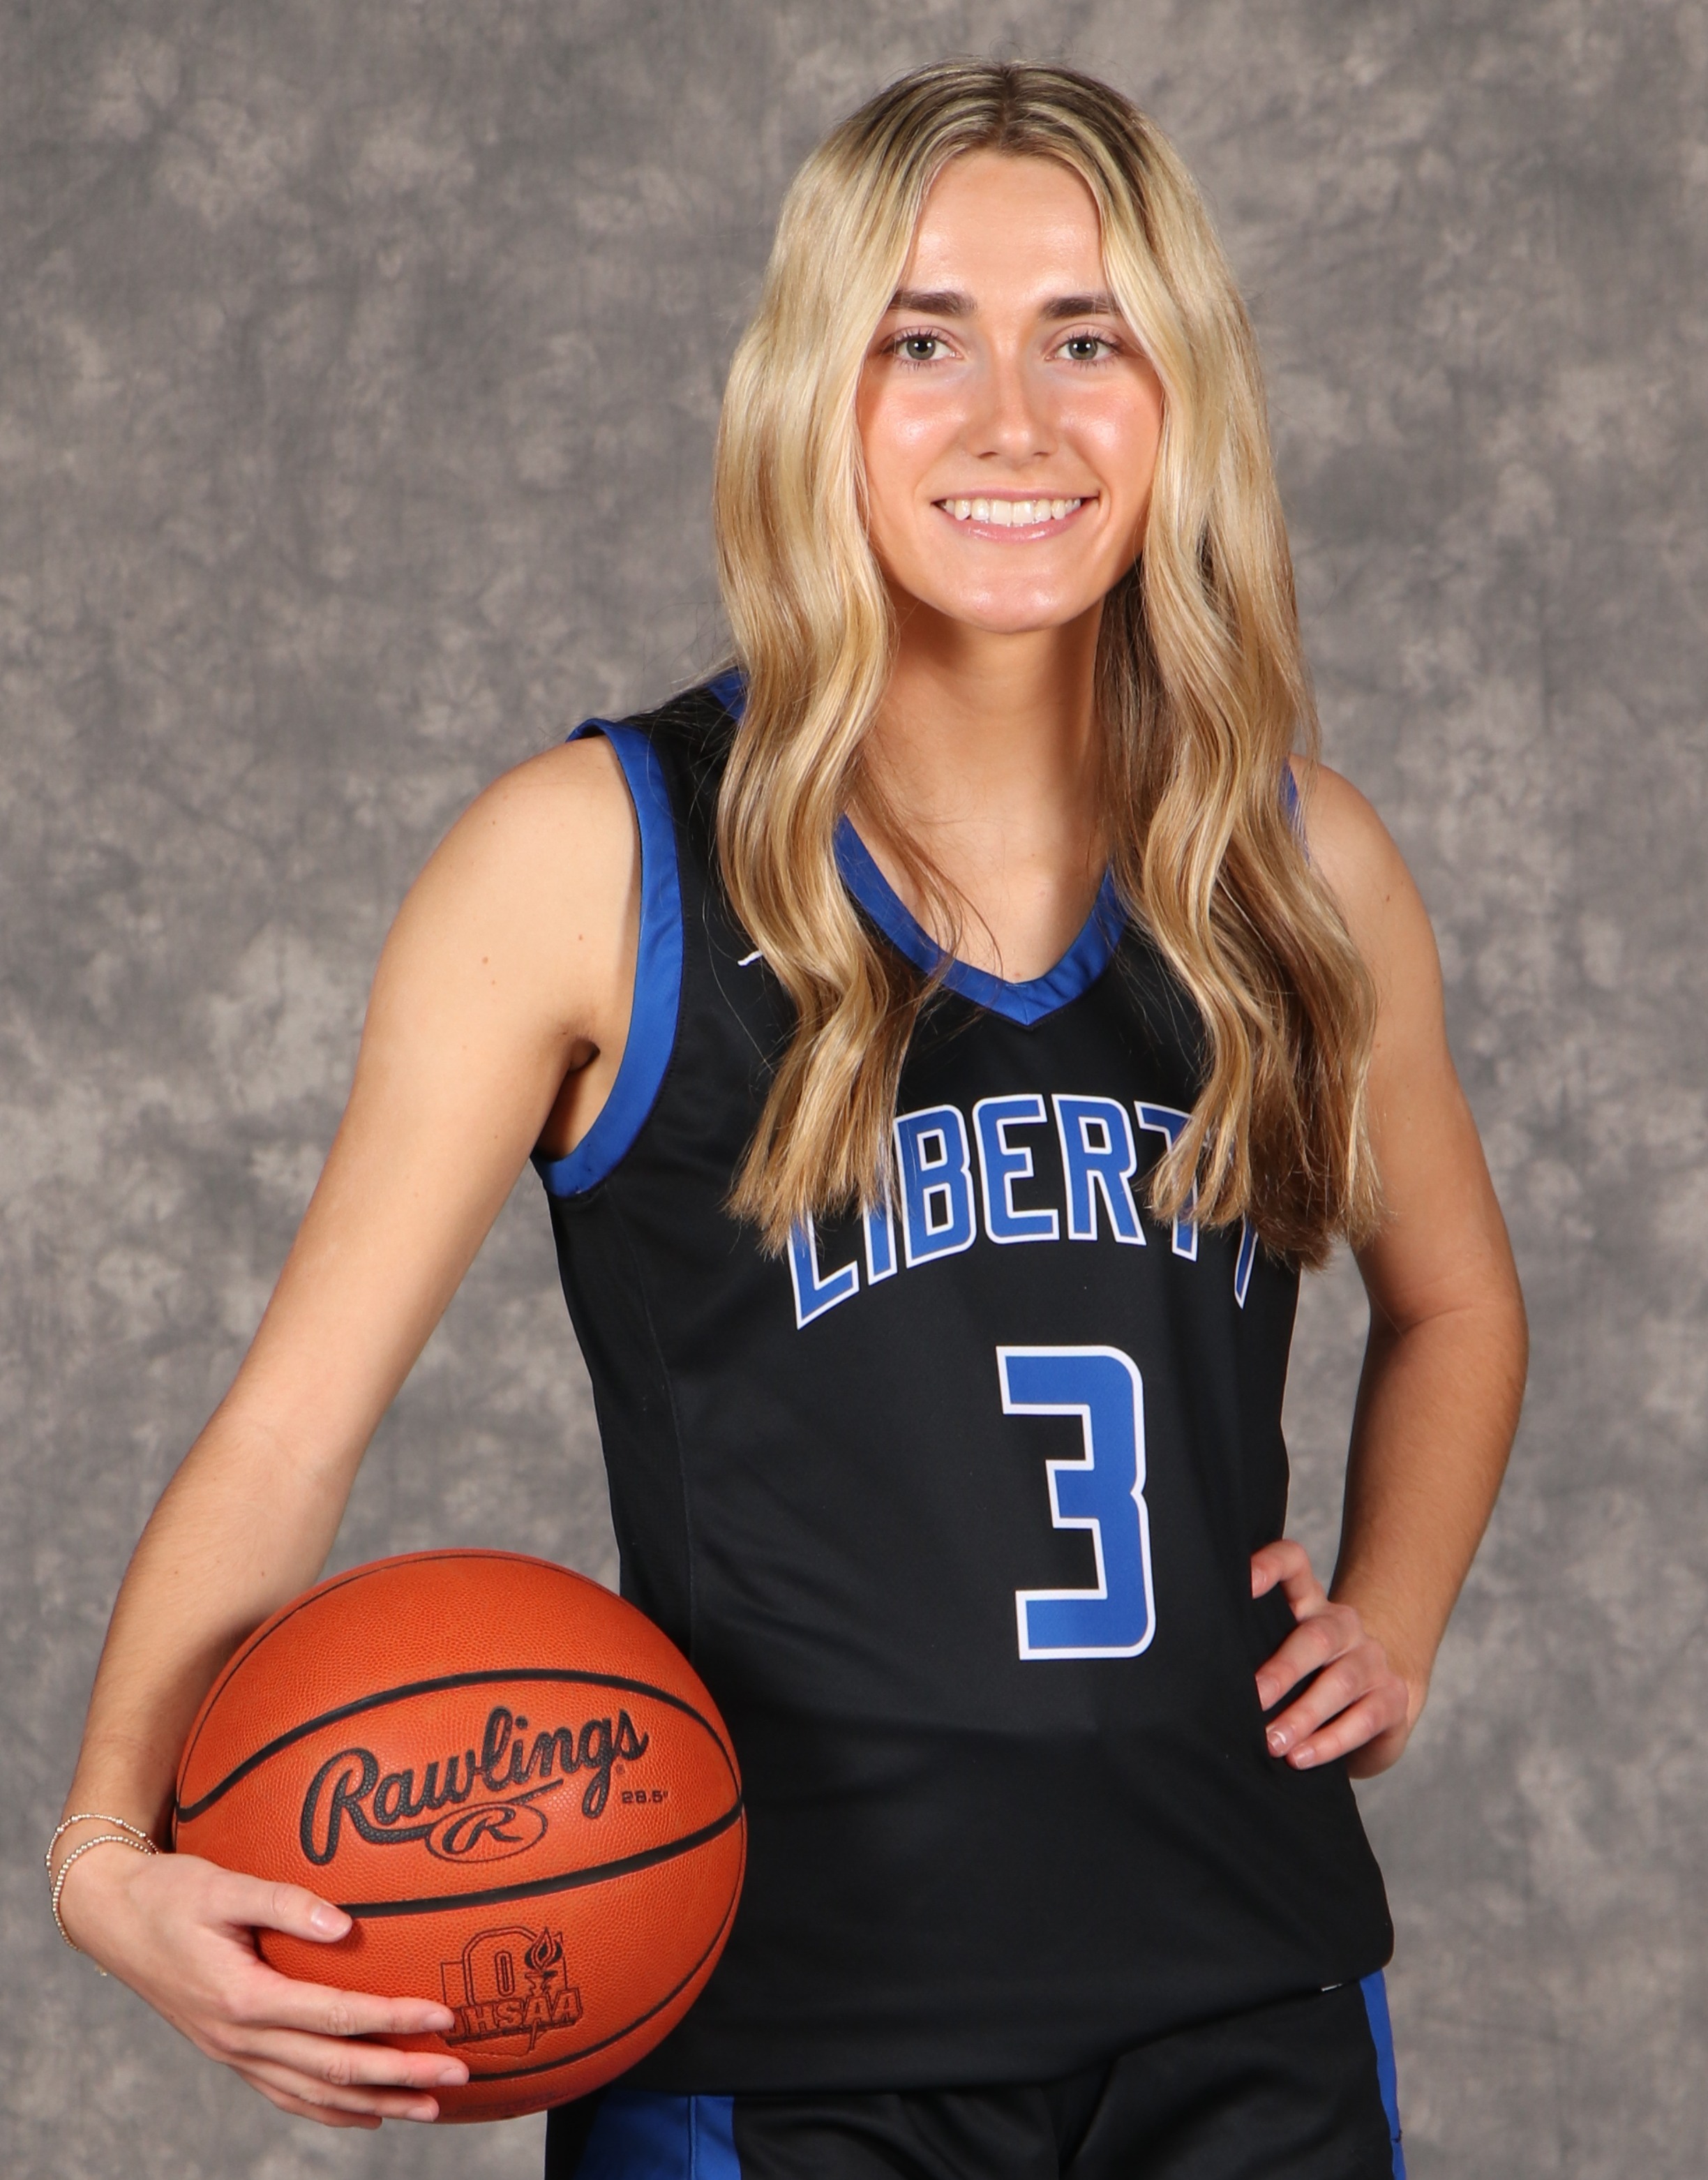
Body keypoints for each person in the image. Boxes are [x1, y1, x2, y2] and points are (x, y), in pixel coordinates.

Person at [50, 59, 1525, 2180]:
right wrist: (108, 1848)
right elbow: (293, 1428)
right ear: (810, 393)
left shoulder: (1295, 864)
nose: (1012, 419)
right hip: (780, 2046)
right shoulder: (594, 859)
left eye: (1086, 339)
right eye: (924, 341)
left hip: (1249, 1997)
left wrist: (1394, 1611)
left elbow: (1459, 1304)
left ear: (1183, 392)